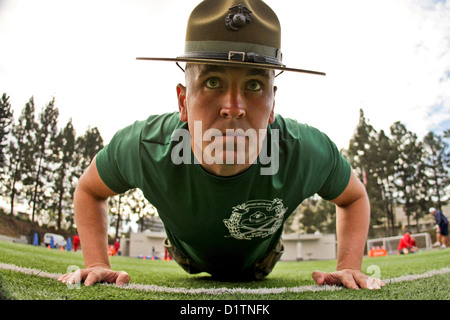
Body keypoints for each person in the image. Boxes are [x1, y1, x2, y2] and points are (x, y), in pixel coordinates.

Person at [58, 0, 385, 290]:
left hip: (260, 262)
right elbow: (89, 189)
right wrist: (97, 261)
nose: (233, 107)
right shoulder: (146, 145)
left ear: (273, 106)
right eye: (212, 82)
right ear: (183, 102)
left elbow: (354, 196)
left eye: (254, 84)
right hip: (187, 257)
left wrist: (348, 266)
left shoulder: (304, 150)